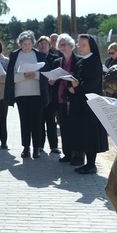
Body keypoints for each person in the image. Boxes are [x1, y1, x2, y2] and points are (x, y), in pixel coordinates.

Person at [65, 34, 107, 174]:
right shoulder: (80, 61)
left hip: (90, 105)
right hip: (79, 104)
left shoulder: (94, 61)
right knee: (82, 134)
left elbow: (92, 83)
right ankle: (83, 161)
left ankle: (91, 164)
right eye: (79, 44)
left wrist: (76, 87)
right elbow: (75, 78)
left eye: (83, 45)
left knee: (90, 135)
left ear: (90, 46)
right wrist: (70, 85)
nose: (80, 47)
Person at [4, 31, 49, 159]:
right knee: (24, 121)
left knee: (36, 121)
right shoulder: (14, 55)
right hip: (20, 93)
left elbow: (45, 74)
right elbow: (10, 77)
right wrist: (23, 76)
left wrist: (35, 75)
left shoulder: (39, 55)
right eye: (24, 44)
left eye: (29, 44)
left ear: (33, 43)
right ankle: (26, 148)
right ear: (20, 44)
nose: (27, 46)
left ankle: (36, 148)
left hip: (36, 93)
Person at [53, 33, 78, 163]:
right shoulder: (57, 62)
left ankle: (76, 155)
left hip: (73, 100)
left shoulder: (78, 61)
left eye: (65, 44)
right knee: (63, 128)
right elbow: (53, 81)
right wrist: (51, 81)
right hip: (60, 100)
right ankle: (67, 154)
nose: (63, 47)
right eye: (60, 44)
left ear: (71, 45)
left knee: (74, 128)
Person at [37, 36, 60, 155]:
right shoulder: (35, 58)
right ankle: (40, 145)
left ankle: (54, 146)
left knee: (51, 122)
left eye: (45, 44)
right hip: (38, 94)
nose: (43, 46)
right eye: (40, 44)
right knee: (39, 122)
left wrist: (54, 80)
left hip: (51, 94)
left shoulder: (55, 59)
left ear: (50, 45)